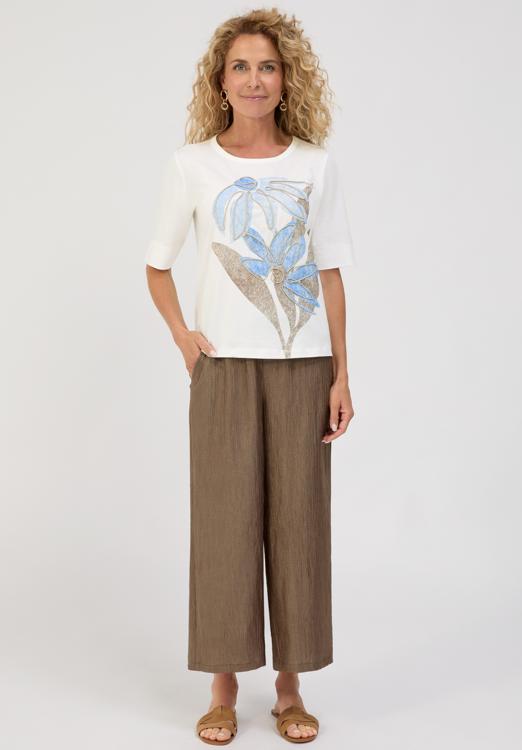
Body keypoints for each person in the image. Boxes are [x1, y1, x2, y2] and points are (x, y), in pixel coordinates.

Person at [144, 8, 356, 745]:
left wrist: (342, 375)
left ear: (286, 79)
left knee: (299, 525)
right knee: (224, 525)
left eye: (268, 66)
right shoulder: (192, 165)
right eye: (241, 66)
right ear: (221, 81)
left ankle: (289, 688)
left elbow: (330, 273)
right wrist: (184, 339)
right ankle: (223, 686)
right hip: (224, 370)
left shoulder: (315, 166)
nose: (255, 79)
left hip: (304, 369)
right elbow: (157, 264)